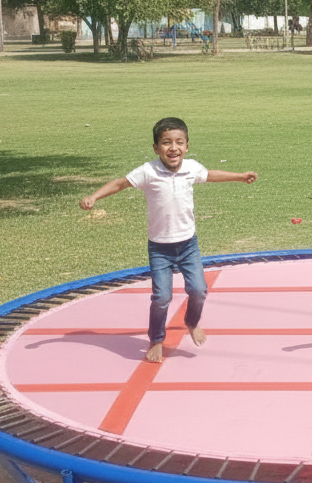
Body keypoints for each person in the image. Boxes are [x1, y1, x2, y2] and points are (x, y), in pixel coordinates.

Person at [80, 117, 257, 362]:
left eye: (179, 142)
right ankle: (156, 339)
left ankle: (191, 322)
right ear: (156, 148)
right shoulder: (147, 171)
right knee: (161, 297)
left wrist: (239, 176)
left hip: (188, 245)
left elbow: (210, 175)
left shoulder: (191, 168)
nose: (173, 148)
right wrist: (94, 196)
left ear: (187, 146)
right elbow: (120, 184)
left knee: (198, 290)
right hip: (160, 248)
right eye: (166, 143)